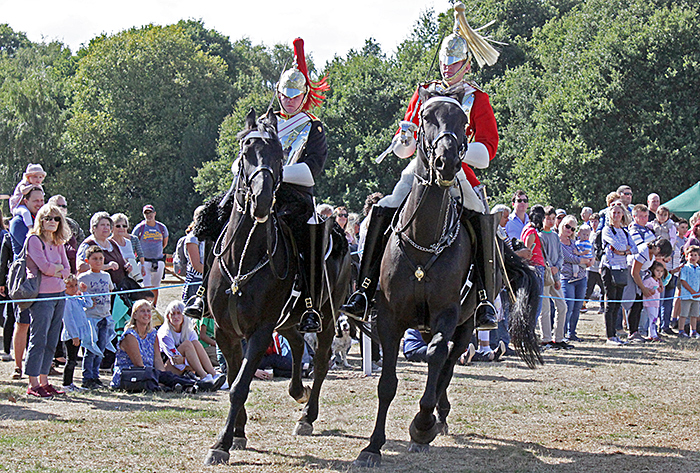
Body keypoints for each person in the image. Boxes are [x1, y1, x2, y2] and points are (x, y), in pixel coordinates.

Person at [342, 2, 502, 330]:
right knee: (384, 207)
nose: (447, 69)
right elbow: (406, 148)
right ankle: (365, 289)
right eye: (445, 63)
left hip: (458, 172)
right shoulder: (424, 94)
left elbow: (486, 152)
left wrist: (452, 150)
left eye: (454, 63)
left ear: (466, 65)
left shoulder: (477, 100)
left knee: (481, 216)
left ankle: (484, 299)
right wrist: (403, 139)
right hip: (419, 170)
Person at [186, 38, 331, 335]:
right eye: (285, 95)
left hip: (292, 195)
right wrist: (251, 172)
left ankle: (309, 305)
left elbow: (311, 171)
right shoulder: (265, 122)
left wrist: (274, 174)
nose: (289, 100)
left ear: (304, 96)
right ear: (278, 93)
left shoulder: (312, 127)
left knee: (312, 234)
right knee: (216, 215)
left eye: (295, 96)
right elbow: (243, 156)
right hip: (254, 189)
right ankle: (203, 293)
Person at [24, 203, 71, 397]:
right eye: (48, 218)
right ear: (41, 221)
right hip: (42, 296)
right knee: (39, 338)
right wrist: (56, 269)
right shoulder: (34, 240)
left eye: (56, 219)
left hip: (59, 294)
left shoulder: (58, 242)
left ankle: (45, 381)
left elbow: (67, 270)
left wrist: (57, 269)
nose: (52, 222)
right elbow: (44, 267)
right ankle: (33, 382)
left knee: (52, 339)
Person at [8, 186, 44, 380]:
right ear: (26, 201)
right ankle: (18, 365)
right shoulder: (19, 222)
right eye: (35, 200)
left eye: (41, 200)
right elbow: (27, 249)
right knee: (22, 322)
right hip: (25, 278)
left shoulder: (45, 220)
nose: (39, 204)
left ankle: (40, 365)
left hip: (44, 277)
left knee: (41, 324)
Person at [158, 300, 225, 387]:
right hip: (168, 369)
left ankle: (213, 374)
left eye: (179, 313)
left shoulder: (188, 330)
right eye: (172, 314)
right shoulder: (165, 334)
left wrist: (185, 361)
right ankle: (204, 376)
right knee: (187, 345)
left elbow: (192, 357)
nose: (176, 317)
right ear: (168, 316)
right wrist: (189, 362)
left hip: (186, 366)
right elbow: (175, 361)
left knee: (195, 343)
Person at [78, 245, 117, 389]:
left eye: (101, 258)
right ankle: (87, 377)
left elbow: (110, 290)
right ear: (88, 261)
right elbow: (76, 296)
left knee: (100, 348)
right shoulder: (83, 278)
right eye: (94, 259)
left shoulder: (106, 276)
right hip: (91, 318)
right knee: (91, 348)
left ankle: (95, 376)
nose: (98, 261)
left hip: (104, 316)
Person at [601, 203, 637, 346]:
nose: (616, 215)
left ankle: (615, 334)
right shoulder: (606, 230)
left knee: (617, 303)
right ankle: (609, 336)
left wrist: (623, 251)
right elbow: (617, 245)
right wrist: (623, 249)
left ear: (623, 214)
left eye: (618, 213)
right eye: (613, 212)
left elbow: (633, 248)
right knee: (610, 302)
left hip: (621, 268)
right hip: (609, 268)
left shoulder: (625, 231)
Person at [110, 300, 166, 389]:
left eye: (148, 311)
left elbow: (157, 359)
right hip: (130, 376)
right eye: (142, 311)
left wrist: (164, 377)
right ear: (135, 315)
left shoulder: (153, 333)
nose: (146, 314)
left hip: (149, 374)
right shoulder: (130, 335)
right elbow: (139, 364)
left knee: (170, 378)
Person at [626, 238, 673, 343]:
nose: (660, 258)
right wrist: (643, 288)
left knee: (638, 305)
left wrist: (659, 281)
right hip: (631, 275)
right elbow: (635, 272)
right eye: (661, 255)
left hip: (642, 276)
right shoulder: (643, 251)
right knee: (634, 302)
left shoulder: (652, 254)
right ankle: (632, 332)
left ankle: (638, 331)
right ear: (658, 248)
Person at [60, 274, 99, 392]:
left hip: (79, 333)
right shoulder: (66, 301)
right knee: (70, 360)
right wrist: (74, 336)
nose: (73, 288)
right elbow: (68, 320)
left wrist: (84, 292)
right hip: (71, 335)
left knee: (73, 360)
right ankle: (66, 383)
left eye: (75, 285)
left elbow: (88, 304)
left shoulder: (76, 299)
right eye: (70, 286)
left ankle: (70, 383)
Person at [538, 207, 568, 350]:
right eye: (548, 218)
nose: (550, 221)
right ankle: (546, 338)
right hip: (545, 276)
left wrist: (557, 269)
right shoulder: (540, 236)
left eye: (552, 218)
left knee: (562, 306)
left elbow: (560, 255)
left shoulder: (555, 236)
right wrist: (552, 269)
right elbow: (545, 257)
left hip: (556, 276)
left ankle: (559, 337)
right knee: (545, 309)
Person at [560, 215, 592, 344]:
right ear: (562, 225)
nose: (569, 230)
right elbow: (568, 257)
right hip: (567, 278)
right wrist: (583, 260)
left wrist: (587, 260)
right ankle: (561, 332)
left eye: (572, 229)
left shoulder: (574, 242)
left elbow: (588, 255)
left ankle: (572, 332)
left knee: (577, 307)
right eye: (567, 226)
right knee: (568, 307)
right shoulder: (558, 242)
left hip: (581, 277)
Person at [77, 212, 131, 286]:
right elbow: (81, 267)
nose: (106, 228)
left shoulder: (113, 243)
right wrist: (106, 267)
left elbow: (122, 262)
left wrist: (127, 266)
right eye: (102, 225)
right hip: (96, 288)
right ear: (94, 227)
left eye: (108, 225)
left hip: (118, 289)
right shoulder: (87, 245)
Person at [131, 204, 168, 307]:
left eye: (150, 212)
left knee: (156, 287)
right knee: (145, 287)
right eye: (146, 213)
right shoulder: (140, 228)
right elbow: (133, 242)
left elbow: (164, 243)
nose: (149, 215)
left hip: (158, 261)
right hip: (144, 262)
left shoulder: (161, 227)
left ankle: (154, 307)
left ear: (155, 213)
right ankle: (145, 306)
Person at [47, 195, 85, 274]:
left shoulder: (72, 224)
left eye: (64, 206)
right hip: (54, 267)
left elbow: (81, 241)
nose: (61, 208)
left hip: (72, 267)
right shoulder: (47, 224)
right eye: (58, 206)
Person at [111, 213, 145, 284]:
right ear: (112, 228)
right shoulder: (109, 243)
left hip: (131, 278)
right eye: (118, 226)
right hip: (116, 279)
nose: (121, 228)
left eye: (124, 226)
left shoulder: (128, 242)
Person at [9, 163, 46, 228]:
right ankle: (30, 228)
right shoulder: (24, 183)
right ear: (28, 177)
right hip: (18, 206)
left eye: (40, 177)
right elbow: (23, 191)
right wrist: (32, 186)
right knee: (25, 212)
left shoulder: (38, 186)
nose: (38, 179)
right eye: (35, 177)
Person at [182, 207, 206, 305]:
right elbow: (196, 265)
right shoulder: (192, 238)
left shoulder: (210, 237)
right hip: (196, 282)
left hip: (208, 279)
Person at [677, 245, 700, 338]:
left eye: (695, 255)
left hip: (697, 297)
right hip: (687, 295)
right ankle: (681, 331)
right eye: (691, 255)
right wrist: (692, 291)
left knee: (694, 315)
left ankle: (693, 331)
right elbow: (683, 280)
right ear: (687, 256)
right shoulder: (685, 268)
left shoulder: (699, 269)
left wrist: (698, 292)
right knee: (684, 314)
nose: (693, 257)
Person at [643, 261, 666, 341]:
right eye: (657, 271)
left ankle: (651, 334)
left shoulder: (657, 281)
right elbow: (644, 288)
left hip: (656, 303)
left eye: (661, 271)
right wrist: (650, 290)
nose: (659, 273)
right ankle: (653, 335)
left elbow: (659, 291)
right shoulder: (649, 279)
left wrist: (661, 286)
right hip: (649, 303)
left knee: (654, 318)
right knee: (652, 318)